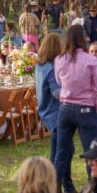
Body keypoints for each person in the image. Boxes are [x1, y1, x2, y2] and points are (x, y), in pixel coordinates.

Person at [53, 24, 97, 193]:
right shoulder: (91, 60)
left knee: (61, 151)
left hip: (66, 107)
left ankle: (55, 192)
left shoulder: (60, 59)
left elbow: (59, 81)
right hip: (86, 108)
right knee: (90, 152)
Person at [34, 33, 63, 166]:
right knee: (58, 153)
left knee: (62, 150)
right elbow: (57, 92)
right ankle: (52, 180)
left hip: (44, 108)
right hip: (54, 111)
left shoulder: (40, 65)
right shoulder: (51, 68)